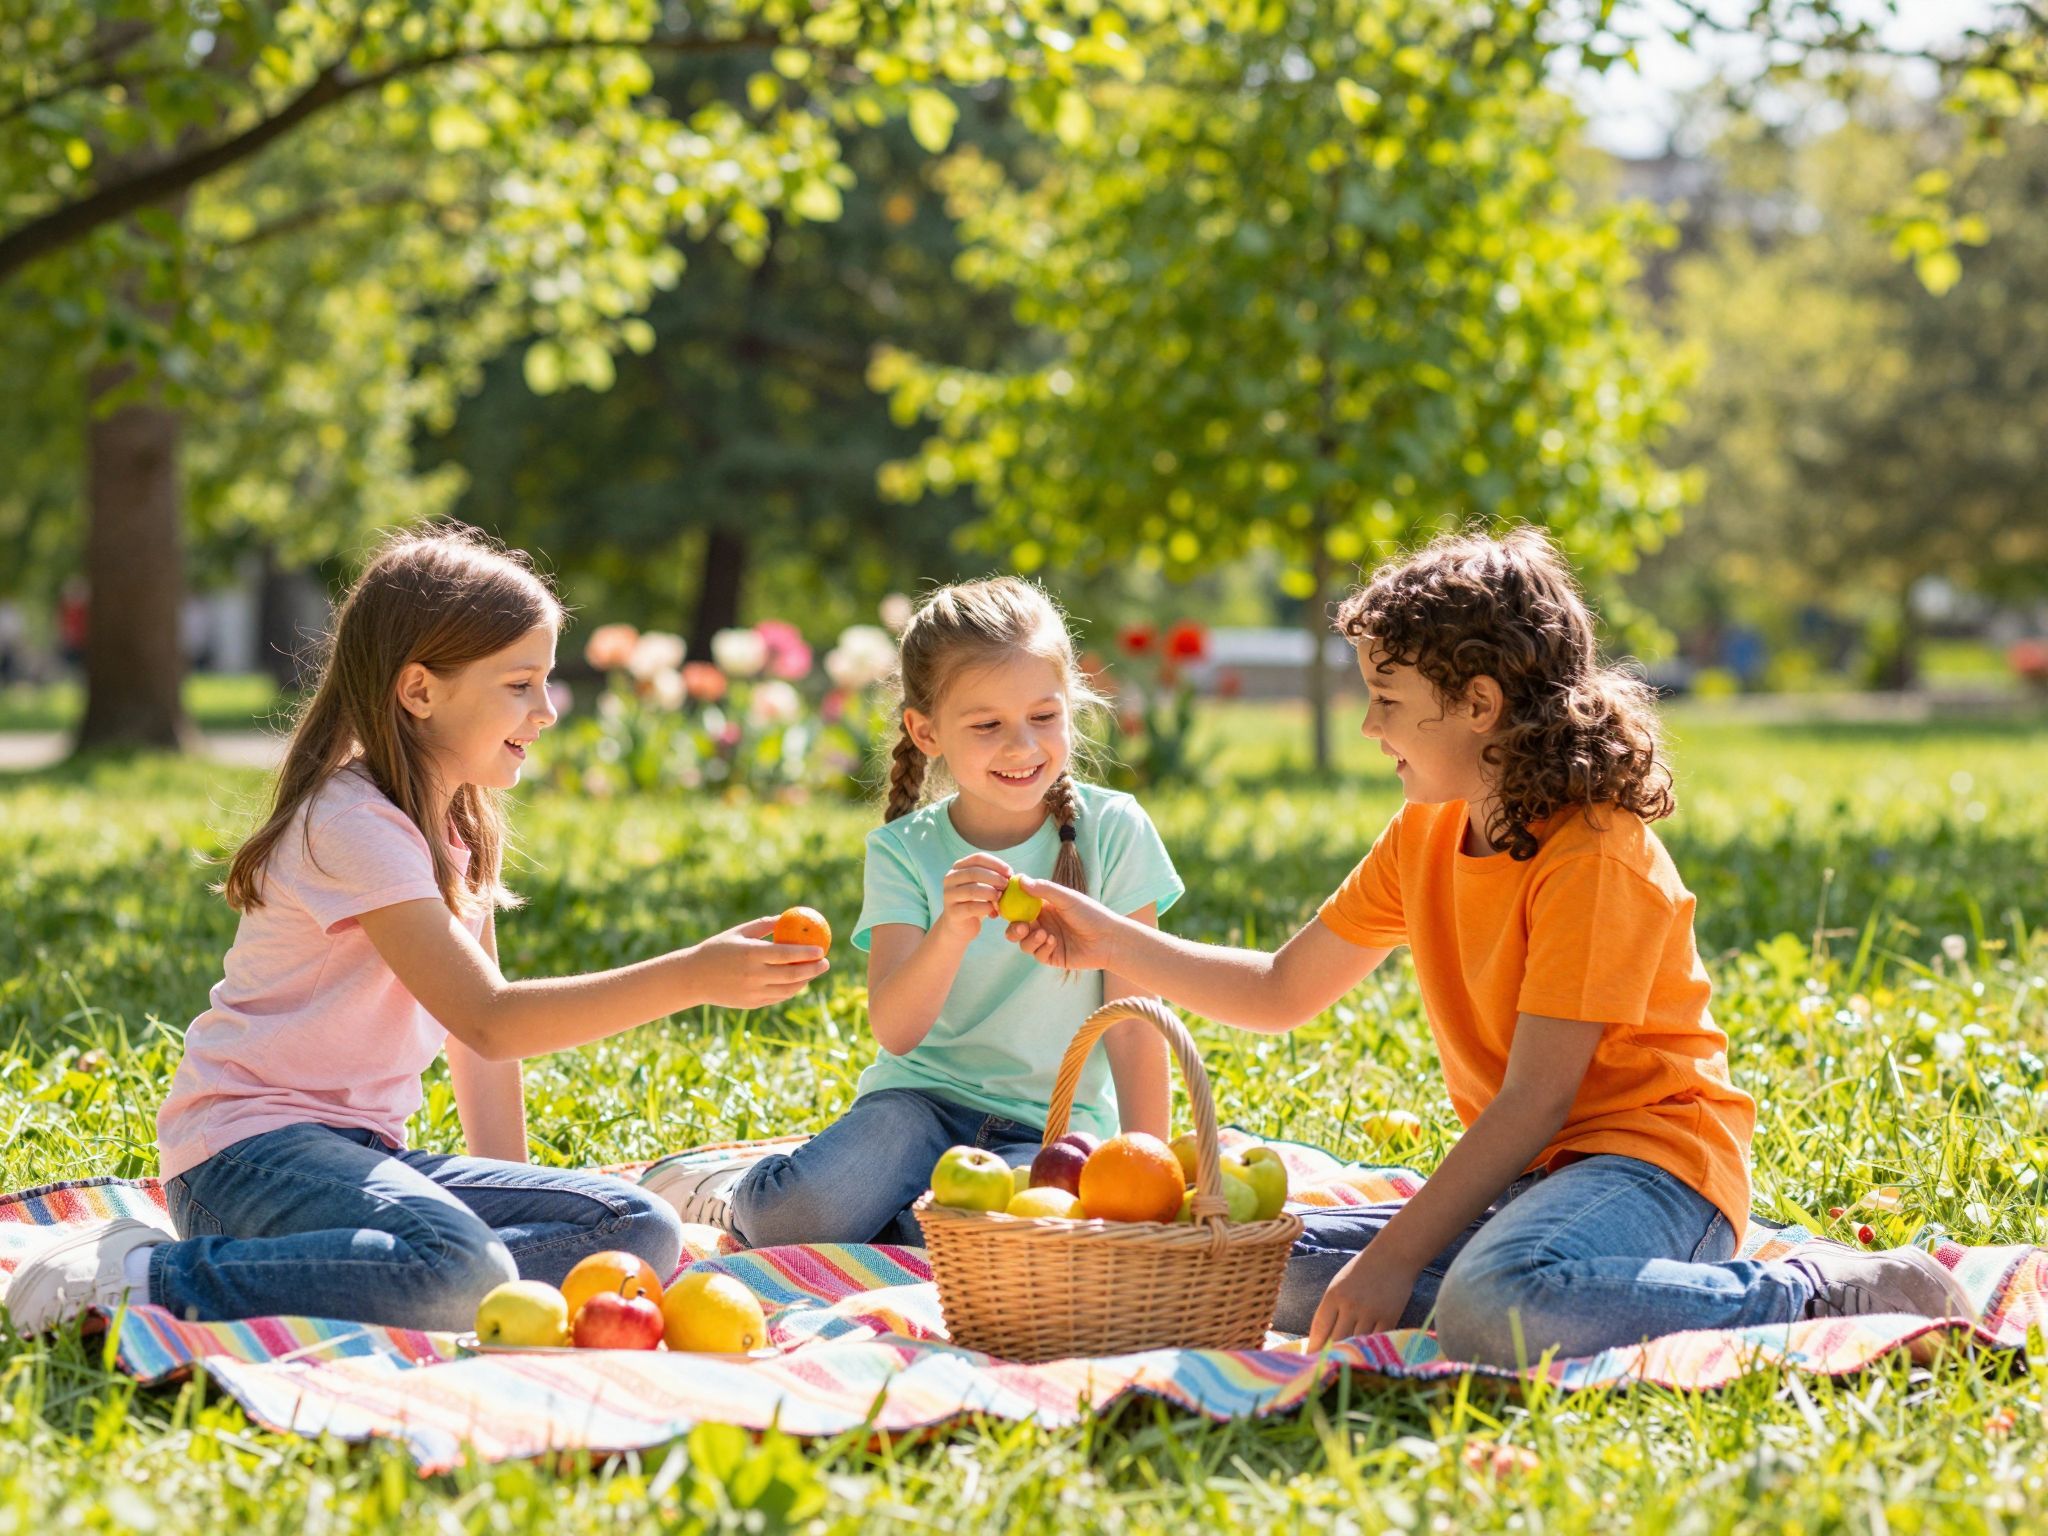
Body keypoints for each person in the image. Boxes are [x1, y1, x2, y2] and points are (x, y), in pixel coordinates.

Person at [998, 528, 1973, 1364]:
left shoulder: (1593, 857)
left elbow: (1537, 1097)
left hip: (1650, 1164)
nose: (1368, 723)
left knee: (1491, 1305)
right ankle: (1612, 1287)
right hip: (1529, 1183)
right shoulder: (1426, 829)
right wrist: (1101, 936)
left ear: (1475, 702)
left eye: (1386, 696)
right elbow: (1279, 988)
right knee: (1251, 1268)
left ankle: (1813, 1293)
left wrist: (1391, 1261)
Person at [9, 527, 826, 1335]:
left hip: (363, 1157)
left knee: (636, 1231)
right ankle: (135, 1275)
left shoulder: (456, 830)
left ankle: (383, 1272)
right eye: (519, 684)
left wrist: (518, 1187)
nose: (545, 711)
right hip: (245, 1156)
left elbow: (480, 1049)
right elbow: (490, 1015)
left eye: (543, 682)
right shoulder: (351, 824)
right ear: (419, 690)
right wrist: (692, 976)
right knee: (463, 1270)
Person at [644, 578, 1183, 1246]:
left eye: (1044, 717)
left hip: (1049, 1127)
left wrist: (1149, 1180)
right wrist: (951, 931)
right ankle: (729, 1195)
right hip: (913, 1109)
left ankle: (901, 1218)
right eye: (987, 725)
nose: (1022, 747)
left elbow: (1134, 1028)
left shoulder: (1117, 831)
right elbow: (896, 1031)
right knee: (795, 1217)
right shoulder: (905, 850)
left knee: (1011, 1240)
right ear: (926, 732)